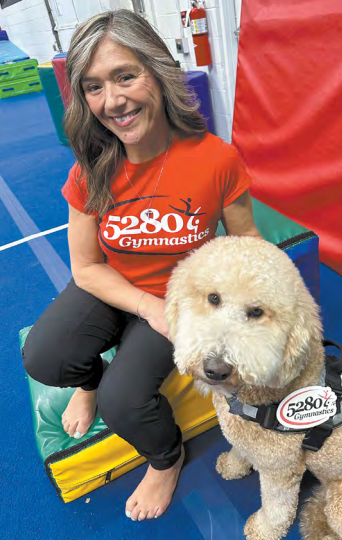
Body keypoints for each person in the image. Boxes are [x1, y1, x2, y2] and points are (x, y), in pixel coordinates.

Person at [22, 9, 260, 522]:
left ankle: (165, 458)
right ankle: (87, 384)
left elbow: (250, 247)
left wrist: (259, 327)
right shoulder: (91, 169)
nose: (112, 101)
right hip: (117, 288)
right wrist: (147, 306)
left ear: (158, 71)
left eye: (125, 76)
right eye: (93, 87)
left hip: (181, 301)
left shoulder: (215, 159)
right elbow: (85, 269)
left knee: (124, 402)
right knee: (45, 358)